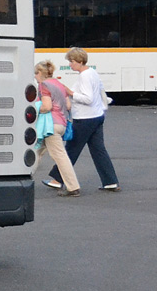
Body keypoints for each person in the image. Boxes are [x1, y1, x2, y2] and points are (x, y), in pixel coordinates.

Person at [46, 47, 120, 192]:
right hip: (97, 116)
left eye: (72, 61)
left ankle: (57, 179)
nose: (70, 64)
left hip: (85, 118)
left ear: (80, 61)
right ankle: (110, 181)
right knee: (98, 150)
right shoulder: (92, 73)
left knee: (71, 149)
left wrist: (70, 93)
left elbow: (88, 99)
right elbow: (99, 93)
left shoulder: (84, 76)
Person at [33, 61, 80, 197]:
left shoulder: (44, 86)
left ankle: (73, 187)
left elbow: (46, 107)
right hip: (61, 124)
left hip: (50, 126)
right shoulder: (59, 84)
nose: (35, 77)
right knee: (36, 151)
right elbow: (68, 105)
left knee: (59, 156)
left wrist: (33, 109)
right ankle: (22, 178)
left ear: (40, 73)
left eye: (36, 74)